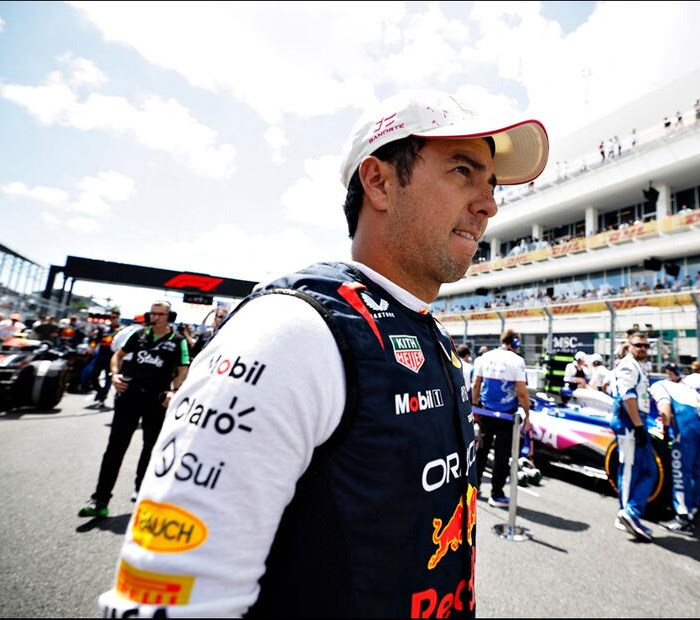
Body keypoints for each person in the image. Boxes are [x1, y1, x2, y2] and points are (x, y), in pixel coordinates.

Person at [97, 89, 548, 617]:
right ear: (378, 182)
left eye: (490, 184)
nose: (488, 203)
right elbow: (164, 602)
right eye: (463, 171)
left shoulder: (433, 338)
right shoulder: (291, 331)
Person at [79, 301, 190, 517]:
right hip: (128, 397)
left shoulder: (178, 342)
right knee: (114, 449)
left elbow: (182, 370)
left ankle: (142, 491)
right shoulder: (138, 335)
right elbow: (117, 356)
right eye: (152, 313)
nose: (155, 317)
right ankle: (100, 500)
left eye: (160, 314)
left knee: (150, 448)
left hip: (156, 401)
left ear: (170, 316)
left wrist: (173, 391)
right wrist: (114, 375)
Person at [652, 364, 700, 535]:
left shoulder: (657, 386)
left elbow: (664, 407)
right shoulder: (684, 387)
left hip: (685, 427)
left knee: (680, 472)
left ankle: (682, 519)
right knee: (697, 470)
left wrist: (664, 433)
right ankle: (692, 508)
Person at [472, 329, 531, 508]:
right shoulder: (517, 361)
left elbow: (476, 385)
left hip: (485, 413)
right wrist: (527, 416)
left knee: (481, 452)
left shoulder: (485, 357)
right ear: (515, 343)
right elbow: (521, 393)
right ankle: (496, 494)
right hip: (506, 416)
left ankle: (474, 488)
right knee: (502, 456)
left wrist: (474, 407)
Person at [610, 331, 656, 542]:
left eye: (646, 346)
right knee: (629, 470)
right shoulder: (628, 365)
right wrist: (638, 426)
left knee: (648, 470)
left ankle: (630, 512)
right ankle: (628, 513)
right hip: (630, 423)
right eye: (638, 345)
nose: (643, 349)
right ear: (629, 346)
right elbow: (627, 396)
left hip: (637, 422)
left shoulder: (639, 366)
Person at [85, 311, 122, 409]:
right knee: (93, 376)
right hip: (100, 356)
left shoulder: (121, 330)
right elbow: (95, 341)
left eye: (114, 317)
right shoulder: (103, 328)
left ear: (118, 318)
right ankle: (101, 392)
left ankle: (102, 398)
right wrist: (91, 348)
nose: (112, 319)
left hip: (112, 358)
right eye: (111, 317)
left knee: (108, 379)